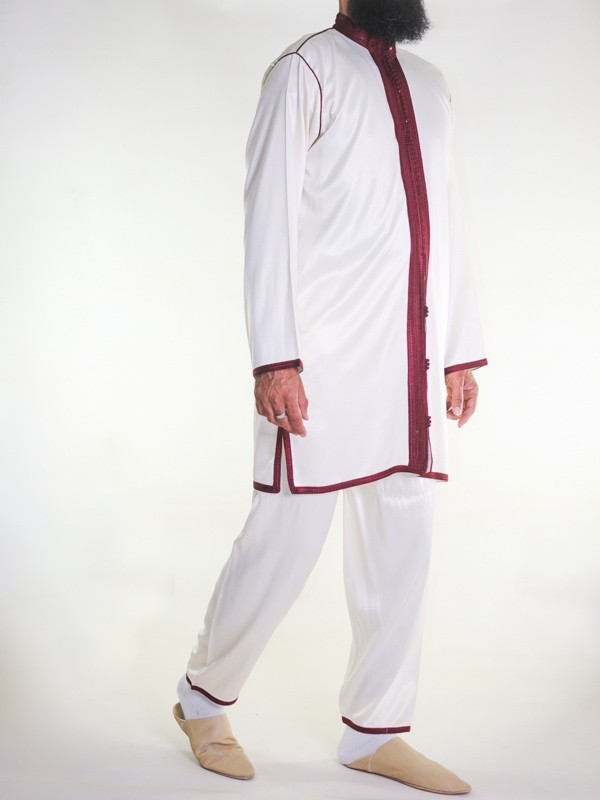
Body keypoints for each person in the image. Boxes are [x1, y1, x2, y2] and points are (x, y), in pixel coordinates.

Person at [173, 0, 487, 793]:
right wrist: (275, 359)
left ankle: (376, 731)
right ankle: (203, 699)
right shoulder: (305, 70)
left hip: (411, 357)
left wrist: (458, 350)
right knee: (285, 534)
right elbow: (268, 218)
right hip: (321, 360)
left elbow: (449, 221)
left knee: (403, 541)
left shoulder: (431, 83)